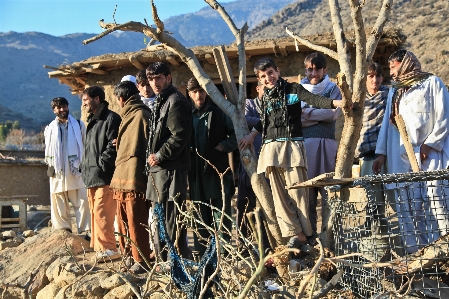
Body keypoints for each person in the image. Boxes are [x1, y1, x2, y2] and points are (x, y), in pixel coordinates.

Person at [239, 57, 343, 249]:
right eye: (263, 76)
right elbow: (265, 121)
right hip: (270, 149)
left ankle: (310, 235)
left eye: (270, 73)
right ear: (259, 80)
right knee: (279, 196)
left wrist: (338, 103)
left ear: (277, 71)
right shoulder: (266, 98)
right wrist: (252, 136)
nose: (268, 78)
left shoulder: (293, 91)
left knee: (298, 193)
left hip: (292, 146)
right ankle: (297, 234)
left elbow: (314, 100)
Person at [373, 50, 449, 252]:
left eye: (393, 67)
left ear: (405, 64)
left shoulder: (432, 83)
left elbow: (443, 117)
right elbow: (387, 126)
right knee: (406, 205)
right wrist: (381, 153)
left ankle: (441, 250)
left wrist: (430, 144)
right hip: (400, 157)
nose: (391, 72)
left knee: (435, 202)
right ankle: (416, 253)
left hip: (429, 156)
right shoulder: (394, 91)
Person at [145, 62, 192, 261]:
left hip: (171, 171)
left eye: (158, 78)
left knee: (171, 220)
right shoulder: (161, 101)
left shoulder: (176, 101)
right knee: (160, 219)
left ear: (168, 78)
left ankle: (174, 264)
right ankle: (164, 261)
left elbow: (180, 135)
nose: (154, 82)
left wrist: (159, 155)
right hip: (160, 172)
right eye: (150, 78)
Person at [187, 77, 237, 255]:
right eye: (194, 92)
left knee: (220, 210)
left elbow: (236, 135)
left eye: (201, 91)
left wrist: (221, 147)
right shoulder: (187, 116)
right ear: (189, 94)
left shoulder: (219, 112)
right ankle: (203, 252)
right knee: (199, 211)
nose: (198, 95)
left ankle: (225, 251)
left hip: (217, 170)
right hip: (195, 172)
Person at [109, 81, 153, 273]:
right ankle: (128, 255)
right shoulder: (129, 115)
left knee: (137, 221)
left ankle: (141, 260)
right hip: (122, 177)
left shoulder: (142, 114)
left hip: (135, 178)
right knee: (123, 222)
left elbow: (148, 145)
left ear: (121, 99)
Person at [300, 52, 342, 234]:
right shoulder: (298, 90)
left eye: (317, 69)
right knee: (308, 193)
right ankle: (310, 236)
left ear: (325, 70)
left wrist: (307, 113)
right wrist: (319, 112)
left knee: (328, 192)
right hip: (305, 146)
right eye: (310, 70)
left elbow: (331, 114)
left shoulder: (333, 89)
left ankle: (329, 234)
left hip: (327, 145)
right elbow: (295, 117)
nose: (313, 74)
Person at [81, 86, 122, 260]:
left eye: (85, 100)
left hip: (104, 174)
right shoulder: (92, 121)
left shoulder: (111, 118)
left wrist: (101, 164)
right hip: (91, 175)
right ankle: (99, 248)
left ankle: (109, 248)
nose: (83, 104)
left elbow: (113, 146)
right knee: (94, 212)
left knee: (102, 212)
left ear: (97, 99)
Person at [44, 97, 90, 235]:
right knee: (58, 199)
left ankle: (85, 229)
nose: (62, 109)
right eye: (59, 107)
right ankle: (63, 230)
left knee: (82, 200)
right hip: (57, 170)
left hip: (75, 168)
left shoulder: (79, 125)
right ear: (54, 110)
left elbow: (86, 145)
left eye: (64, 106)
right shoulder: (49, 129)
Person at [236, 82, 271, 253]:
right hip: (249, 165)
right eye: (263, 87)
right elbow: (244, 119)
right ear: (257, 88)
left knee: (267, 205)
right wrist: (269, 121)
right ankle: (243, 243)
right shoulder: (249, 104)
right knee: (244, 203)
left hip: (269, 165)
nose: (267, 90)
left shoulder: (274, 104)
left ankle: (266, 243)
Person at [355, 62, 388, 175]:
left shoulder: (388, 96)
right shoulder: (358, 99)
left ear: (382, 78)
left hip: (385, 151)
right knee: (370, 190)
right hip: (366, 150)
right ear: (365, 79)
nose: (375, 80)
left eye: (378, 75)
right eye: (371, 76)